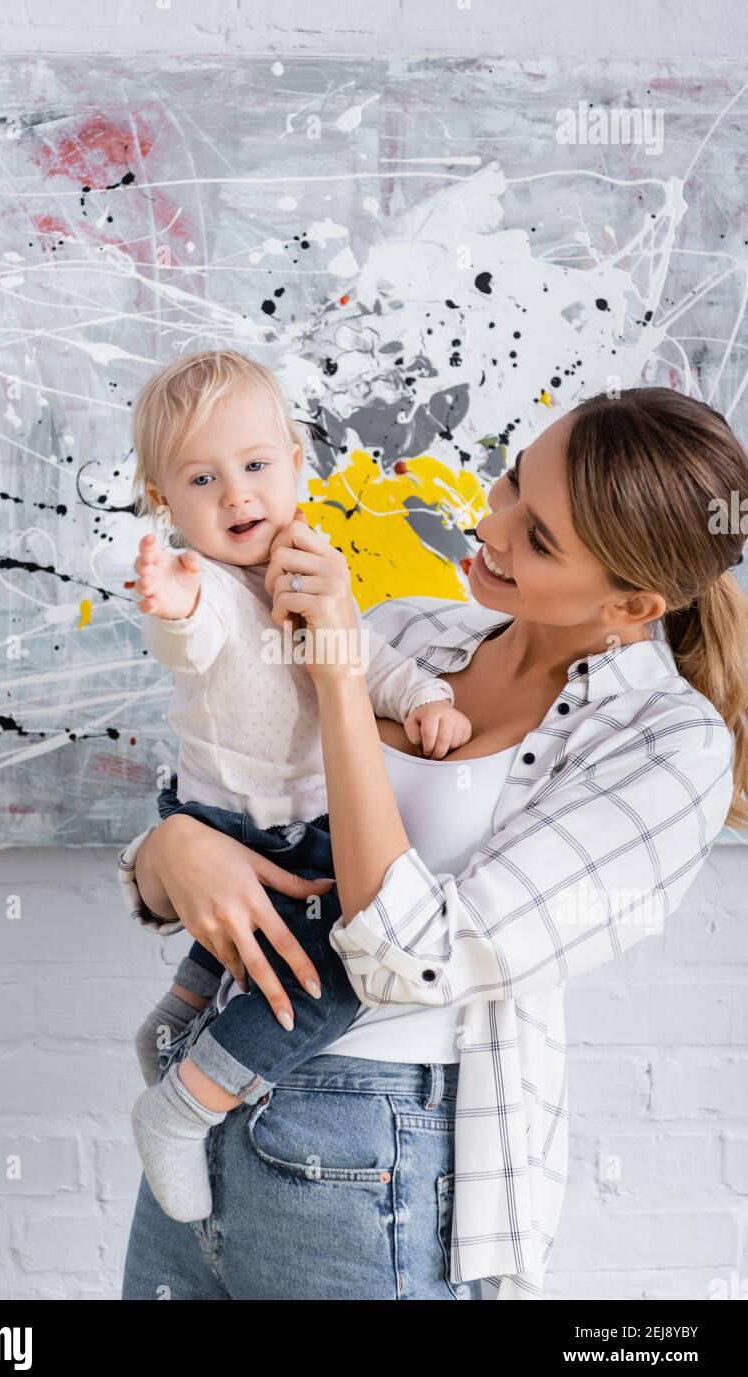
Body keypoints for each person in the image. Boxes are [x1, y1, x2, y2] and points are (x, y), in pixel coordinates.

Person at [119, 386, 748, 1300]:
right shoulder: (413, 628)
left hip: (371, 1153)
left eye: (538, 539)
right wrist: (164, 854)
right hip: (202, 1100)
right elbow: (259, 809)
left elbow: (407, 957)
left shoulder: (665, 750)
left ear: (631, 603)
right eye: (509, 483)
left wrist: (337, 674)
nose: (488, 526)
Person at [127, 349, 471, 1224]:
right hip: (228, 819)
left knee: (258, 937)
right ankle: (184, 1108)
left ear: (294, 461)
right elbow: (193, 640)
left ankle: (178, 1019)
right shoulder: (203, 584)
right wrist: (171, 607)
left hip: (291, 824)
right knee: (332, 975)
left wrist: (424, 697)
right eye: (203, 479)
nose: (237, 495)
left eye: (254, 467)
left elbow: (356, 655)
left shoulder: (308, 568)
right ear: (164, 502)